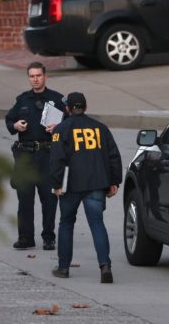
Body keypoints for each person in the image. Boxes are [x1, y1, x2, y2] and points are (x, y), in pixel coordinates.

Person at [49, 92, 122, 283]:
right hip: (97, 183)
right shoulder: (100, 128)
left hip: (71, 185)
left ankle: (63, 268)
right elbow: (113, 155)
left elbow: (57, 159)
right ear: (85, 107)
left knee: (66, 223)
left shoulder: (61, 130)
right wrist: (114, 181)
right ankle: (105, 266)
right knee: (97, 223)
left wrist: (56, 184)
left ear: (68, 108)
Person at [5, 62, 67, 250]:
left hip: (48, 155)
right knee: (24, 198)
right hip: (25, 155)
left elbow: (71, 123)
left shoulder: (56, 99)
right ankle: (25, 237)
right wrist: (15, 126)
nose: (35, 79)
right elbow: (9, 118)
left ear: (45, 76)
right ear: (28, 77)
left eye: (38, 75)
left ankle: (48, 237)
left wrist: (59, 127)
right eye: (31, 76)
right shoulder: (22, 99)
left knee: (49, 199)